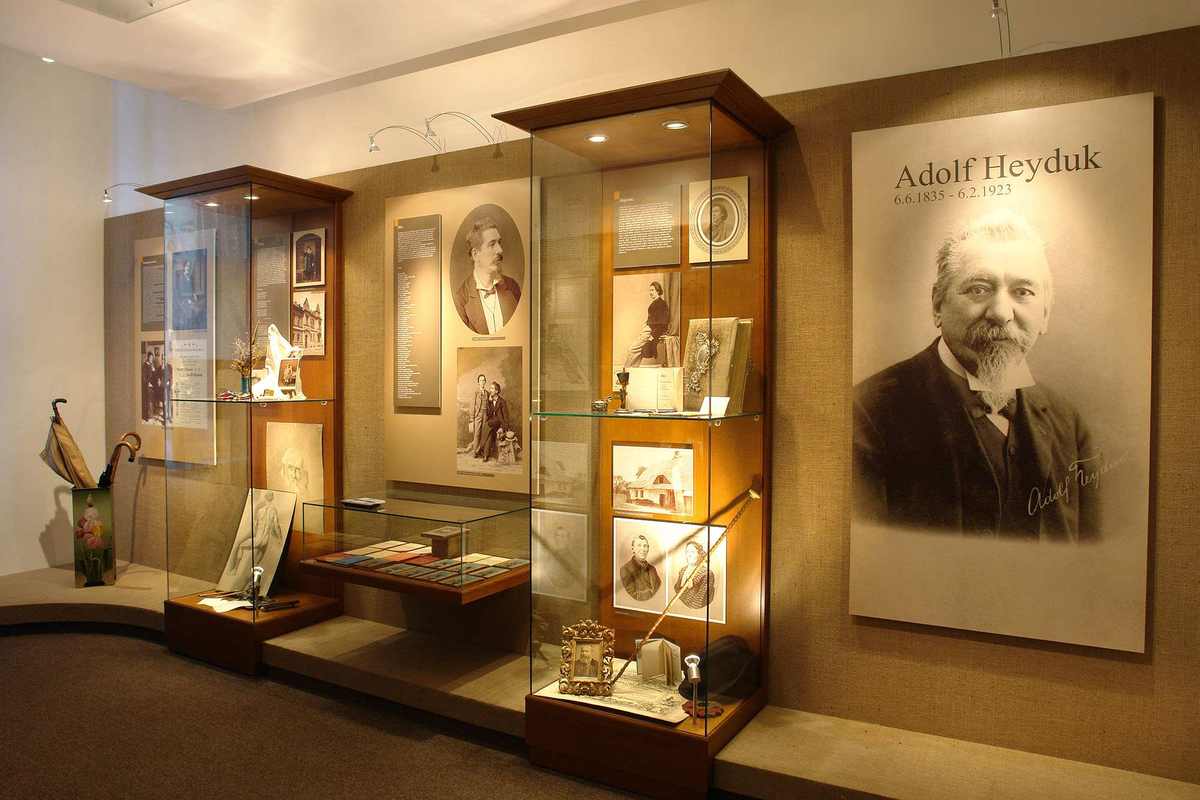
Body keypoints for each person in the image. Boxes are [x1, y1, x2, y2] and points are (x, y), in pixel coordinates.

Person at [852, 209, 1099, 541]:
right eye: (979, 289)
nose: (1001, 313)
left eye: (1023, 292)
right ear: (937, 305)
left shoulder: (1068, 423)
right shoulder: (867, 412)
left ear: (1045, 315)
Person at [452, 217, 521, 335]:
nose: (500, 250)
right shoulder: (461, 300)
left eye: (499, 243)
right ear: (475, 254)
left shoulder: (512, 287)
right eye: (492, 244)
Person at [622, 281, 670, 368]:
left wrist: (652, 336)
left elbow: (662, 323)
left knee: (632, 349)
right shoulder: (656, 303)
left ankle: (626, 371)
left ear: (658, 291)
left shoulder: (661, 304)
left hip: (650, 331)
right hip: (648, 329)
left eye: (652, 290)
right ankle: (631, 370)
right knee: (638, 352)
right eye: (650, 290)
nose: (650, 292)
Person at [619, 534, 661, 601]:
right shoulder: (625, 569)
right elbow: (635, 596)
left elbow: (658, 590)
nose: (642, 549)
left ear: (648, 549)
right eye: (639, 545)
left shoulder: (652, 569)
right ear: (633, 549)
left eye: (645, 546)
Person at [674, 540, 714, 609]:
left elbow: (698, 602)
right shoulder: (683, 570)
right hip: (678, 607)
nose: (689, 555)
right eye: (687, 552)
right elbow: (676, 590)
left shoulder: (707, 574)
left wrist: (692, 588)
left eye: (692, 552)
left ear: (699, 554)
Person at [479, 381, 511, 462]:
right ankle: (485, 455)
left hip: (499, 423)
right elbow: (488, 414)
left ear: (496, 391)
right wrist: (489, 402)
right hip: (492, 424)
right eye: (490, 388)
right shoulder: (490, 401)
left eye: (492, 388)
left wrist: (503, 428)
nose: (490, 390)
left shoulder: (502, 402)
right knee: (489, 433)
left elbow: (506, 417)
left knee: (488, 424)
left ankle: (480, 447)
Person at [468, 373, 488, 458]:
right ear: (478, 382)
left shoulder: (487, 392)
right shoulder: (475, 392)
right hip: (478, 414)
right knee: (477, 433)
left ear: (485, 382)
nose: (482, 382)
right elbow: (472, 405)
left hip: (485, 415)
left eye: (483, 380)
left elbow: (488, 404)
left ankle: (481, 450)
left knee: (483, 433)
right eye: (480, 380)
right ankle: (475, 452)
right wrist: (472, 417)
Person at [140, 349, 154, 421]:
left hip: (151, 386)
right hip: (147, 386)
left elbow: (153, 376)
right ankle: (146, 417)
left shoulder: (151, 365)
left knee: (151, 400)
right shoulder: (145, 365)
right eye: (150, 358)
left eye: (152, 358)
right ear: (148, 358)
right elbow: (143, 377)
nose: (151, 359)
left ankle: (150, 415)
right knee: (147, 401)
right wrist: (147, 383)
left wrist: (153, 370)